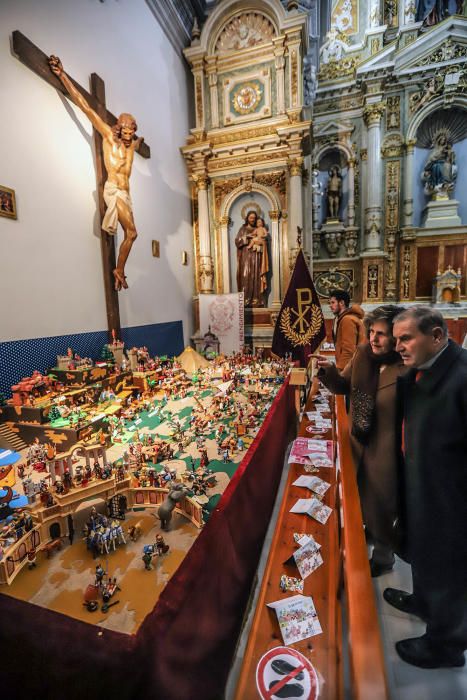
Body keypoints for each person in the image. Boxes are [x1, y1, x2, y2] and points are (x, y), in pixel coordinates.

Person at [383, 306, 467, 668]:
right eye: (397, 338)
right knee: (424, 552)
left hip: (451, 499)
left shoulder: (462, 376)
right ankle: (423, 601)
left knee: (449, 570)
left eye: (406, 338)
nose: (398, 346)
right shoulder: (421, 370)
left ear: (436, 336)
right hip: (422, 484)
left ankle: (446, 645)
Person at [317, 305, 407, 576]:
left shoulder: (406, 367)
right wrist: (329, 371)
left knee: (383, 505)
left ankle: (383, 558)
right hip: (358, 441)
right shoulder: (363, 354)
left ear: (397, 337)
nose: (374, 339)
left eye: (381, 334)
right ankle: (368, 532)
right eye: (371, 332)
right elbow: (344, 387)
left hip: (387, 451)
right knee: (361, 498)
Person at [48, 55, 143, 291]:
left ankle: (120, 268)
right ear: (119, 126)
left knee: (131, 234)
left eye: (133, 129)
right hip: (114, 191)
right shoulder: (108, 137)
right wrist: (62, 74)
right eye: (127, 128)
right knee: (132, 233)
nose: (130, 133)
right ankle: (119, 269)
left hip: (127, 196)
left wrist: (141, 143)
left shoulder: (133, 147)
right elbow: (85, 105)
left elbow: (140, 144)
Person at [235, 210, 270, 307]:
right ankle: (245, 300)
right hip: (246, 257)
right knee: (246, 276)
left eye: (254, 218)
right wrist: (246, 237)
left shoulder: (259, 228)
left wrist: (262, 241)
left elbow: (264, 239)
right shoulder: (243, 229)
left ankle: (257, 300)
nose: (252, 220)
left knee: (256, 276)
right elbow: (237, 241)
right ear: (247, 218)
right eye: (251, 218)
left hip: (257, 256)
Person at [329, 290, 366, 370]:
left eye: (333, 302)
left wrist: (341, 369)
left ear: (341, 303)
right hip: (350, 366)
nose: (330, 305)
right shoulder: (340, 319)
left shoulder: (347, 320)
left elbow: (349, 349)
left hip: (349, 368)